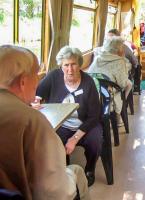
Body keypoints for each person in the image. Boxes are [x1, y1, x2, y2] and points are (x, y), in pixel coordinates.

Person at [0, 45, 90, 199]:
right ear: (23, 82)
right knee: (76, 171)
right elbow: (54, 191)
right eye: (36, 75)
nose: (38, 81)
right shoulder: (33, 122)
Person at [36, 46, 102, 187]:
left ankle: (90, 169)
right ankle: (65, 172)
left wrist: (75, 138)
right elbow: (37, 92)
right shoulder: (54, 76)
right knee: (54, 141)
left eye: (73, 64)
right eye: (66, 65)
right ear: (61, 65)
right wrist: (36, 100)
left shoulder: (88, 82)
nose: (70, 69)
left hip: (86, 124)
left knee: (95, 141)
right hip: (62, 123)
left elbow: (94, 116)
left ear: (79, 64)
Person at [88, 36, 132, 119]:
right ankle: (118, 115)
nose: (124, 49)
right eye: (123, 47)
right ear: (118, 49)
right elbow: (122, 84)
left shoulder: (98, 57)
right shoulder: (119, 61)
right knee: (128, 84)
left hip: (92, 93)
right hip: (106, 96)